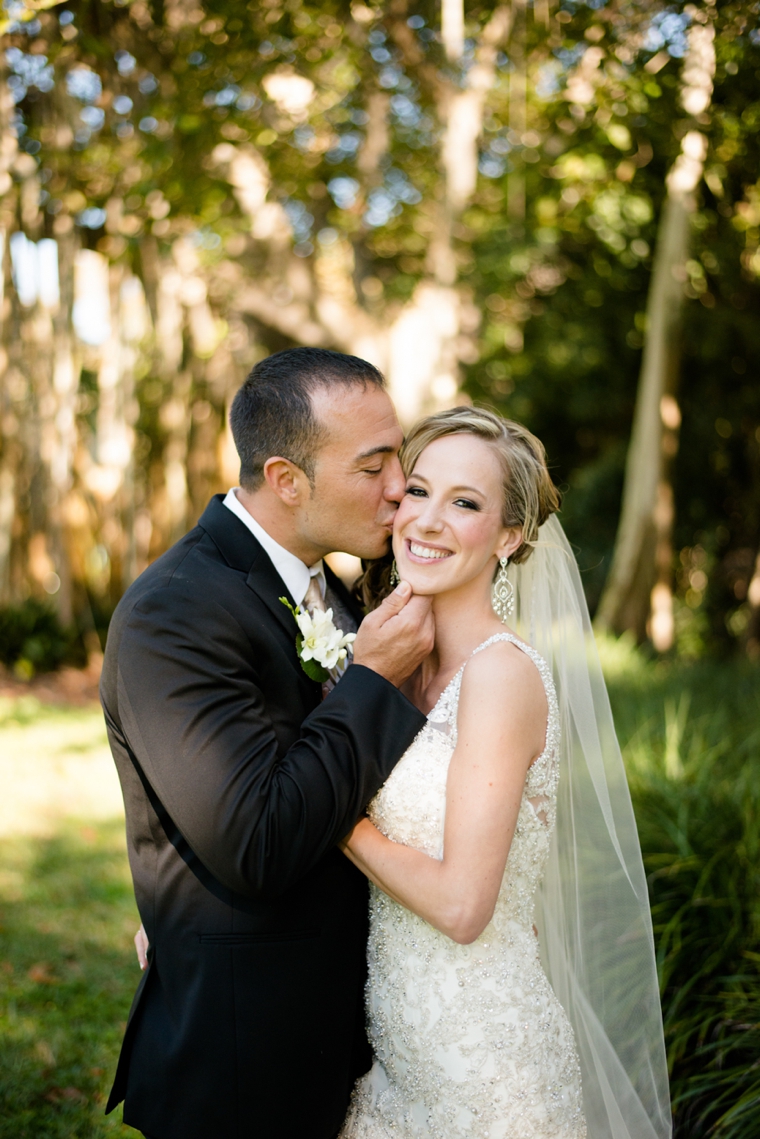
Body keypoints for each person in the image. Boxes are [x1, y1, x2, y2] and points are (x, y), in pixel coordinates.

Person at [100, 347, 434, 1139]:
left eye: (401, 455)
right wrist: (372, 680)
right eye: (374, 465)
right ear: (287, 479)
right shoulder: (174, 612)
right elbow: (257, 840)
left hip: (360, 1034)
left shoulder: (338, 588)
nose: (399, 487)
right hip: (251, 1067)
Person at [337, 407, 672, 1139]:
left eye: (465, 503)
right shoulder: (389, 662)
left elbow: (463, 905)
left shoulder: (500, 677)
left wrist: (336, 815)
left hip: (485, 1069)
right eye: (419, 491)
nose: (427, 521)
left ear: (510, 536)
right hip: (397, 1055)